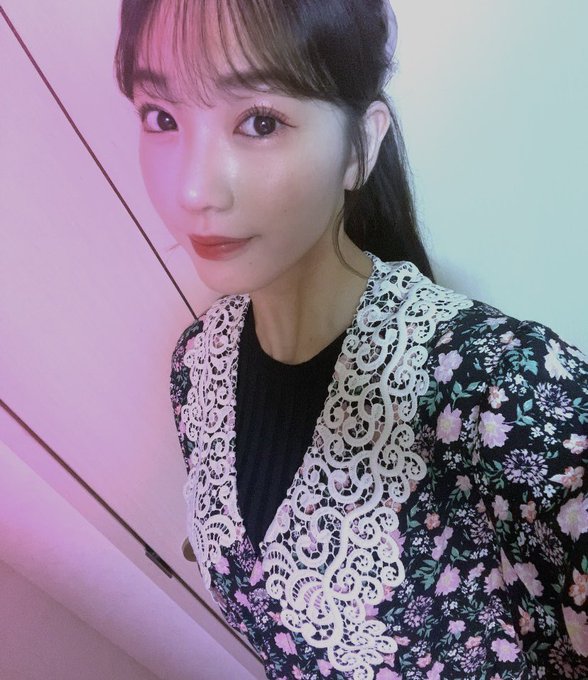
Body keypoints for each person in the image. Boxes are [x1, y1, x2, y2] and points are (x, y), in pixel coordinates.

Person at [114, 1, 588, 678]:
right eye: (161, 117)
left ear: (361, 146)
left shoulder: (497, 384)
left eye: (260, 121)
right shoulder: (196, 364)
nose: (191, 190)